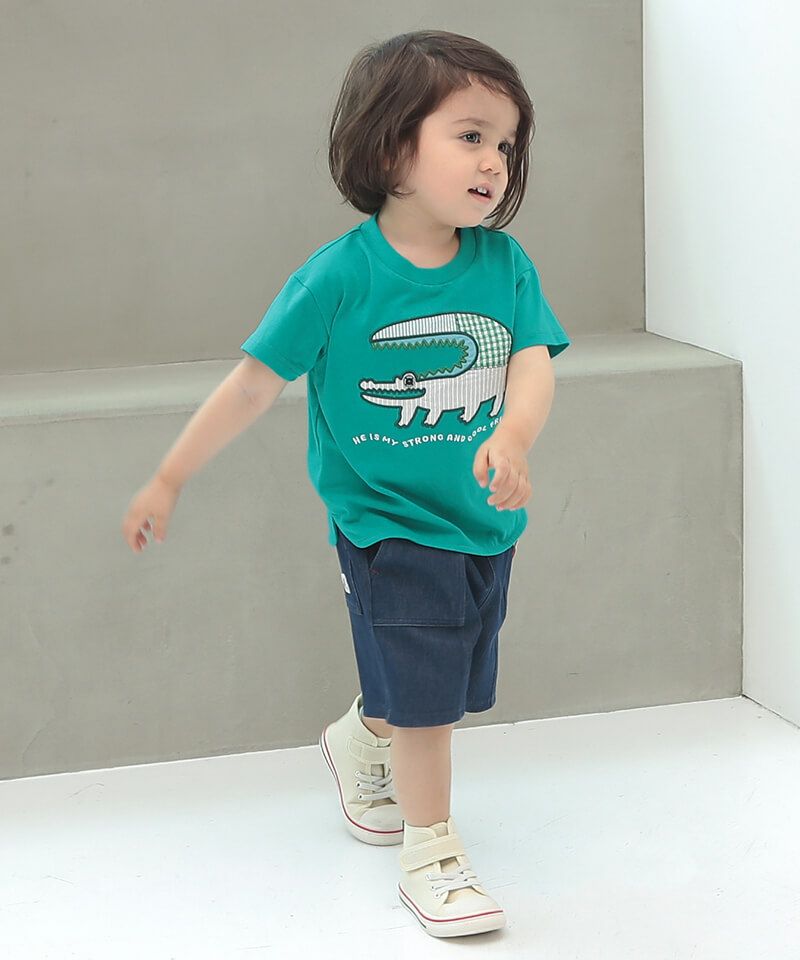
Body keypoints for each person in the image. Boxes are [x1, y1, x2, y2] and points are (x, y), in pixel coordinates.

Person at [122, 29, 570, 940]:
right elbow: (253, 385)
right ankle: (431, 854)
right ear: (392, 147)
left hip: (481, 520)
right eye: (471, 136)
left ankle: (361, 736)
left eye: (506, 142)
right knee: (432, 700)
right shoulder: (337, 276)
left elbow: (532, 363)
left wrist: (515, 434)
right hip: (384, 522)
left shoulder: (506, 267)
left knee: (450, 677)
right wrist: (169, 476)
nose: (495, 161)